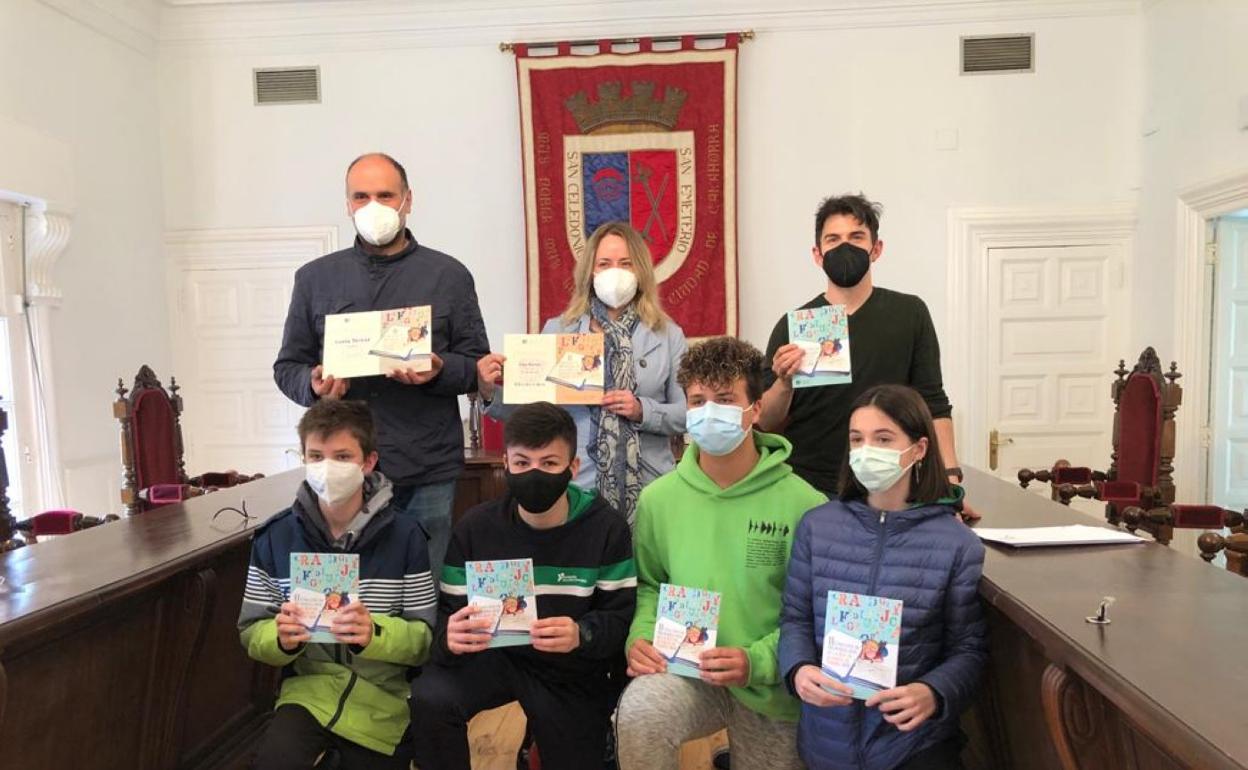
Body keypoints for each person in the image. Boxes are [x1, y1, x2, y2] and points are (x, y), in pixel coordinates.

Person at [274, 152, 490, 579]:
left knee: (423, 586)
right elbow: (288, 367)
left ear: (408, 200)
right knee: (346, 590)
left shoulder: (449, 275)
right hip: (342, 466)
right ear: (347, 204)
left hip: (425, 464)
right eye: (361, 196)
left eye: (385, 195)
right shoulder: (314, 278)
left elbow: (477, 365)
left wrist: (439, 371)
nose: (373, 206)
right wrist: (313, 385)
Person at [615, 337, 827, 770]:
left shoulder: (806, 504)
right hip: (688, 670)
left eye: (726, 399)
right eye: (698, 401)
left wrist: (757, 661)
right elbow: (651, 584)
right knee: (640, 712)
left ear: (755, 409)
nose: (709, 412)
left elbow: (813, 612)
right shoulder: (659, 499)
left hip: (771, 682)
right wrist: (640, 636)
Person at [408, 402, 636, 770]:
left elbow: (620, 618)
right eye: (522, 462)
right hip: (492, 658)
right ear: (506, 463)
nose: (534, 473)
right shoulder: (475, 527)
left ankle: (540, 743)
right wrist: (450, 637)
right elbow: (447, 616)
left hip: (569, 669)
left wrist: (582, 634)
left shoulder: (606, 528)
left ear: (573, 467)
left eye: (549, 463)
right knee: (430, 697)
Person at [778, 384, 987, 770]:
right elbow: (795, 619)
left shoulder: (957, 544)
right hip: (826, 739)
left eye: (884, 439)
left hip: (912, 745)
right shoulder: (816, 526)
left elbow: (968, 648)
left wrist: (933, 692)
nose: (867, 450)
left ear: (919, 449)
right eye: (857, 439)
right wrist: (798, 669)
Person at [238, 399, 437, 770]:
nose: (327, 468)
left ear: (368, 462)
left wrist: (374, 633)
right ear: (303, 458)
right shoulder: (276, 537)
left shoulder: (407, 536)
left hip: (384, 701)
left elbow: (423, 639)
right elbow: (251, 632)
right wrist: (280, 638)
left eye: (342, 457)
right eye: (316, 456)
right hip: (307, 694)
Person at [758, 194, 974, 518]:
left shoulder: (910, 313)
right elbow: (766, 421)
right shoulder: (793, 326)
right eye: (833, 239)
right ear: (817, 254)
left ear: (876, 249)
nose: (844, 247)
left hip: (891, 486)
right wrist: (784, 382)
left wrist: (949, 481)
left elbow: (934, 403)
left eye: (856, 237)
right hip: (810, 487)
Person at [477, 221, 687, 524]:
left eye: (625, 264)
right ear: (590, 271)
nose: (615, 272)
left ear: (640, 270)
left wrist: (642, 410)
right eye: (604, 264)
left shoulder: (668, 334)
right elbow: (533, 413)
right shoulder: (559, 330)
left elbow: (687, 414)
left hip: (650, 484)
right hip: (581, 482)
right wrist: (488, 391)